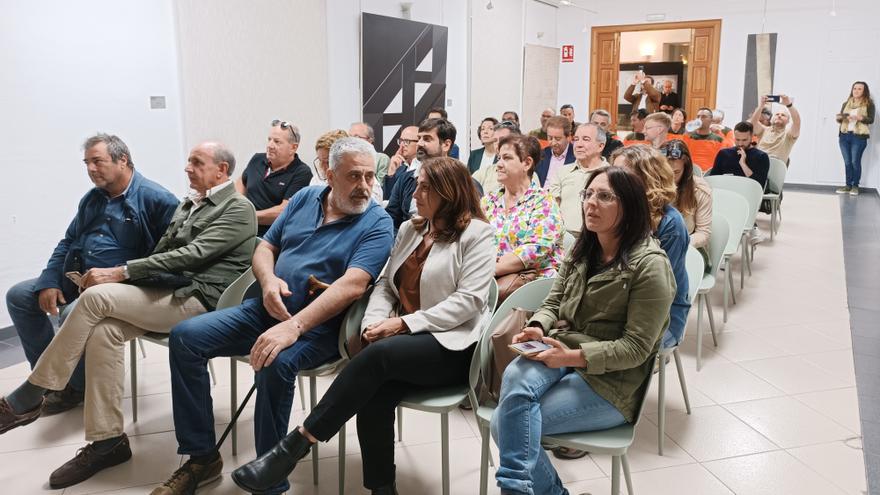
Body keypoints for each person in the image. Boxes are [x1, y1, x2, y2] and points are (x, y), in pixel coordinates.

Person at [230, 156, 495, 495]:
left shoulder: (477, 234)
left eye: (426, 187)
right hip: (401, 344)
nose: (415, 194)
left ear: (450, 193)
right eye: (417, 185)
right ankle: (382, 489)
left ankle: (296, 444)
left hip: (450, 346)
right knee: (373, 393)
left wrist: (400, 323)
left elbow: (469, 302)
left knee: (379, 357)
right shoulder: (411, 229)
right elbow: (385, 285)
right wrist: (373, 323)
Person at [0, 142, 257, 489]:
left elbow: (192, 256)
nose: (187, 168)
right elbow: (164, 252)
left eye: (196, 162)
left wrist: (121, 272)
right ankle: (108, 442)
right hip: (167, 291)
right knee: (104, 330)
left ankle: (31, 394)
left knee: (95, 298)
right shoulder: (189, 204)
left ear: (221, 171)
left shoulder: (239, 209)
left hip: (201, 300)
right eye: (188, 161)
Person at [152, 137, 394, 495]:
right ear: (329, 174)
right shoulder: (303, 199)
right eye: (353, 176)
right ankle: (202, 456)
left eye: (370, 177)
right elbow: (265, 246)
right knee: (186, 337)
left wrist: (293, 327)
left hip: (320, 327)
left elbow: (353, 286)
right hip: (265, 308)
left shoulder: (377, 222)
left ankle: (269, 483)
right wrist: (267, 282)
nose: (364, 187)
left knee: (275, 362)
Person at [490, 165, 675, 495]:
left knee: (505, 424)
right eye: (588, 194)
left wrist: (571, 357)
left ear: (629, 206)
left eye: (604, 197)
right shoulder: (581, 250)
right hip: (561, 352)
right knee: (513, 399)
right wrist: (537, 325)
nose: (591, 203)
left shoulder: (650, 265)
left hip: (611, 382)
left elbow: (636, 349)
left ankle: (518, 490)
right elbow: (554, 301)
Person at [5, 134, 178, 416]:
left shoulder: (157, 200)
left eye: (97, 161)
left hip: (124, 286)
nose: (91, 169)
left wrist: (118, 276)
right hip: (79, 276)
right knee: (20, 295)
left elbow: (166, 261)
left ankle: (77, 387)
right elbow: (68, 241)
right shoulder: (92, 199)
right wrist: (49, 280)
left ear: (122, 159)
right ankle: (52, 385)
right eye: (86, 163)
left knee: (73, 311)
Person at [611, 145, 688, 350]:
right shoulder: (614, 209)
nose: (612, 180)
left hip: (661, 317)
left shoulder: (671, 223)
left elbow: (657, 295)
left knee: (598, 350)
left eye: (622, 175)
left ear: (647, 180)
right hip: (614, 307)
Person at [483, 135, 564, 284]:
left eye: (507, 158)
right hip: (490, 280)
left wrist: (484, 271)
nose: (499, 164)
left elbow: (534, 250)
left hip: (533, 283)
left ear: (526, 163)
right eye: (499, 158)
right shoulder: (488, 201)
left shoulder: (543, 201)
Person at [236, 119, 312, 236]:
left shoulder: (301, 172)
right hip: (241, 227)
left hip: (271, 237)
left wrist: (248, 216)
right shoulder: (257, 159)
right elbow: (241, 181)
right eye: (269, 140)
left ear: (293, 147)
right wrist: (237, 207)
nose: (270, 145)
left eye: (277, 142)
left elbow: (284, 211)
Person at [387, 118, 456, 230]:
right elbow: (391, 218)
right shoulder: (405, 179)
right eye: (419, 138)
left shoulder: (460, 181)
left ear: (446, 145)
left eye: (427, 139)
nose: (419, 143)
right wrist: (401, 242)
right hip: (407, 240)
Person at [547, 123, 606, 237]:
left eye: (586, 139)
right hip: (563, 236)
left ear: (601, 146)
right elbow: (553, 208)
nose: (578, 145)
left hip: (596, 237)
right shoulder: (562, 172)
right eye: (576, 139)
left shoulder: (610, 174)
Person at [661, 139, 712, 250]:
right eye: (665, 172)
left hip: (688, 245)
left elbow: (703, 233)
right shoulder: (649, 185)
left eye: (676, 172)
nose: (670, 178)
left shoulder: (699, 189)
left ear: (686, 169)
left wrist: (679, 245)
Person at [313, 129, 383, 202]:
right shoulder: (317, 179)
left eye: (327, 162)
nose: (321, 167)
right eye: (320, 161)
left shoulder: (370, 188)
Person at [834, 82, 875, 195]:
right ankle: (848, 185)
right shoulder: (846, 103)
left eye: (859, 89)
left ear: (864, 91)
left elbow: (871, 119)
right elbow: (840, 119)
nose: (856, 91)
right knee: (847, 162)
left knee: (854, 161)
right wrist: (840, 117)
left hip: (859, 137)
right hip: (844, 135)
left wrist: (859, 117)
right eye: (854, 88)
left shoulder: (869, 104)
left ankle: (855, 186)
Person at [709, 121, 770, 189]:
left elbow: (758, 185)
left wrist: (743, 164)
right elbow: (713, 179)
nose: (740, 144)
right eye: (737, 139)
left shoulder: (761, 156)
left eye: (744, 140)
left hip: (749, 194)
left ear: (752, 136)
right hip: (725, 191)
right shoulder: (723, 153)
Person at [750, 95, 801, 165]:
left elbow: (797, 122)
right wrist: (761, 106)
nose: (779, 116)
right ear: (771, 119)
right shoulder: (764, 130)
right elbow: (753, 123)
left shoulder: (789, 135)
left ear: (788, 121)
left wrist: (789, 105)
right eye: (777, 114)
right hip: (759, 164)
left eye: (783, 115)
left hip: (775, 167)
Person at [472, 120, 521, 194]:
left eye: (502, 140)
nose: (498, 144)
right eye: (495, 140)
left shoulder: (526, 173)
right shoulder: (485, 172)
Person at [535, 116, 576, 187]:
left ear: (568, 137)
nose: (553, 143)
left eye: (557, 139)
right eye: (550, 138)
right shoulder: (541, 154)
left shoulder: (576, 156)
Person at [383, 125, 420, 199]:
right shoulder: (400, 168)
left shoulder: (423, 169)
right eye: (401, 141)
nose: (402, 145)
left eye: (406, 141)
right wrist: (391, 173)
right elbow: (387, 199)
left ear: (419, 143)